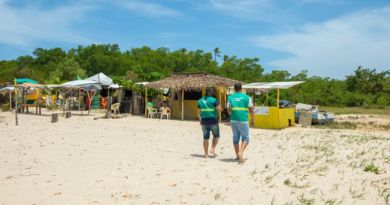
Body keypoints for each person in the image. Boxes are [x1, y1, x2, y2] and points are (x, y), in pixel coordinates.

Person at [228, 83, 254, 164]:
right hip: (243, 120)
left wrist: (232, 114)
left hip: (233, 120)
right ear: (242, 88)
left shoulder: (230, 97)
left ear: (234, 89)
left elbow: (229, 110)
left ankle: (237, 156)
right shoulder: (247, 97)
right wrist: (252, 119)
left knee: (235, 138)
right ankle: (241, 152)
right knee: (245, 138)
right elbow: (251, 109)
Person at [197, 87, 222, 159]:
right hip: (213, 121)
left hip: (204, 121)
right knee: (216, 136)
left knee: (205, 138)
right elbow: (220, 109)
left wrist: (200, 120)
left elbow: (198, 112)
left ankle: (206, 155)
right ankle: (212, 148)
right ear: (212, 93)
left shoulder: (200, 101)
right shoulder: (214, 100)